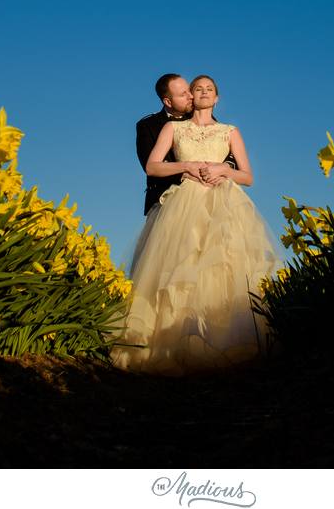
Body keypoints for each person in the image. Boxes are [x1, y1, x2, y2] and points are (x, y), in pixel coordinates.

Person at [112, 74, 282, 375]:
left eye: (208, 90)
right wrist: (187, 167)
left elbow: (248, 175)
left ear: (216, 98)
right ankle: (169, 343)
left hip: (224, 203)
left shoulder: (228, 130)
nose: (200, 94)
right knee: (178, 267)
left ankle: (224, 340)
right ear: (178, 97)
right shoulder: (166, 126)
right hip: (182, 204)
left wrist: (223, 170)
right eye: (195, 90)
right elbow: (152, 166)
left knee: (223, 267)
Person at [135, 73, 238, 215]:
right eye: (183, 94)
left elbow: (222, 145)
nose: (191, 96)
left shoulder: (199, 115)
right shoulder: (148, 126)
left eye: (189, 90)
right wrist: (186, 172)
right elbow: (151, 167)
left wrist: (223, 167)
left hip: (207, 198)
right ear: (168, 102)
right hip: (163, 202)